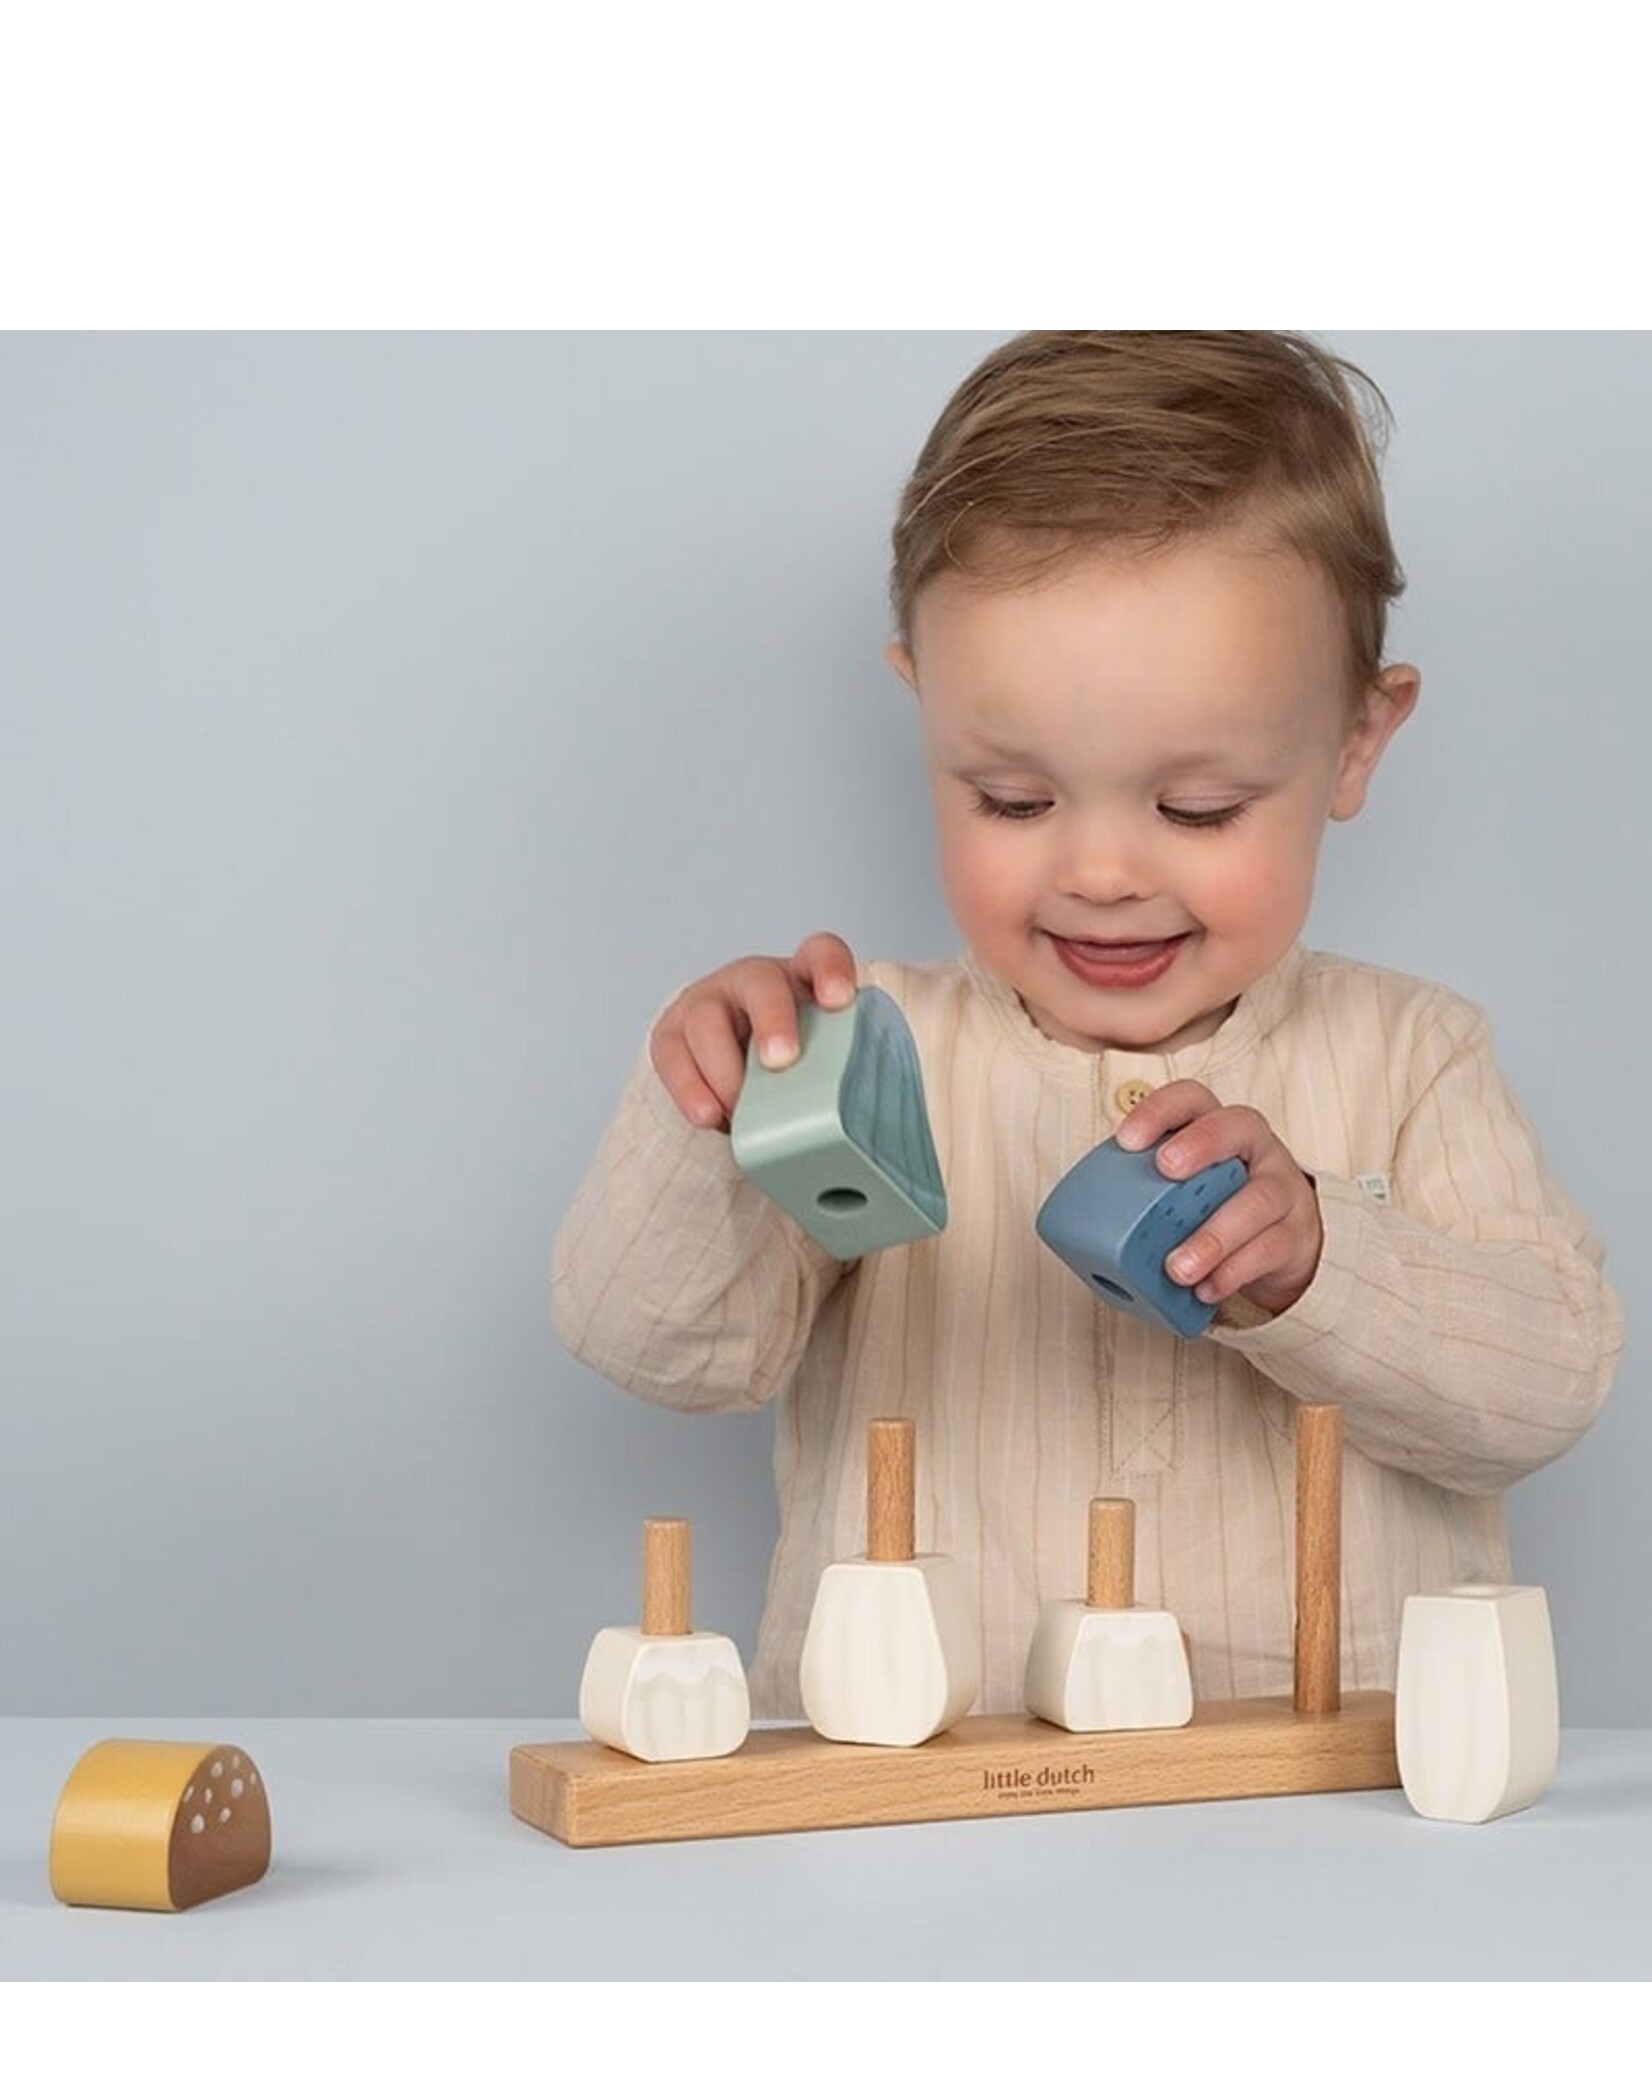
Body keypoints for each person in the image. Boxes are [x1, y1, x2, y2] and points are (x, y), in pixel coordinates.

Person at [552, 332, 1623, 1720]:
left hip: (1320, 1805)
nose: (1103, 873)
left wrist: (1322, 1265)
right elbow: (656, 1349)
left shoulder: (1417, 1055)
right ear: (923, 710)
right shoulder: (871, 1051)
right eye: (1011, 798)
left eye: (1195, 808)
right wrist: (711, 1115)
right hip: (923, 1803)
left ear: (1357, 740)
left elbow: (1546, 1386)